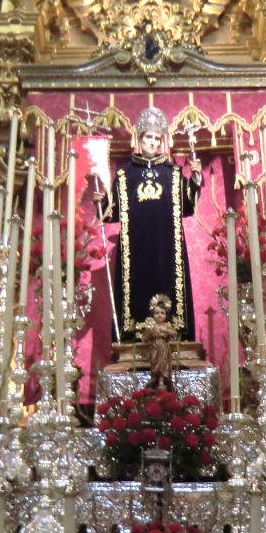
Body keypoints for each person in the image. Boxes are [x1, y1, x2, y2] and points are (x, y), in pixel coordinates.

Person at [109, 107, 202, 341]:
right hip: (135, 252)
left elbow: (188, 206)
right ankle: (132, 339)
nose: (152, 142)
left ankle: (174, 338)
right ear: (139, 139)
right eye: (148, 137)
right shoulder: (124, 175)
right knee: (133, 295)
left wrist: (196, 179)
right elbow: (111, 211)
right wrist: (101, 203)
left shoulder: (173, 173)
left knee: (170, 287)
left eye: (157, 138)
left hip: (166, 251)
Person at [141, 294, 178, 391]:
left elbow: (174, 333)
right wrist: (150, 333)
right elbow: (144, 338)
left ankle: (161, 381)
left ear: (166, 315)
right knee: (155, 364)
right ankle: (154, 378)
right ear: (153, 315)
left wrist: (165, 331)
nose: (160, 315)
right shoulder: (151, 328)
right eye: (157, 313)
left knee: (163, 365)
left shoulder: (166, 327)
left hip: (164, 348)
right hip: (154, 348)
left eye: (162, 313)